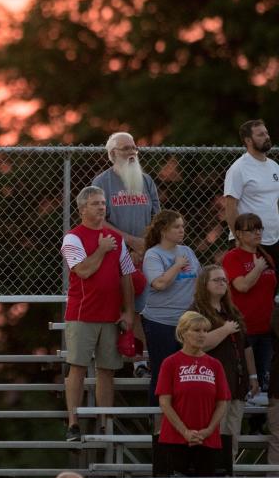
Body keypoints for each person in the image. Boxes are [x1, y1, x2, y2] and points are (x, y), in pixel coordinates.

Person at [60, 186, 135, 441]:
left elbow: (126, 276)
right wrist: (102, 249)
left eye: (103, 203)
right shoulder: (73, 237)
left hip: (111, 315)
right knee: (78, 367)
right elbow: (82, 270)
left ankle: (104, 422)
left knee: (107, 370)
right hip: (82, 314)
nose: (101, 207)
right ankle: (73, 422)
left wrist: (128, 312)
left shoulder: (116, 238)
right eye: (95, 204)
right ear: (82, 209)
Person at [154, 312, 229, 478]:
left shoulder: (215, 364)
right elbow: (164, 402)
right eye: (196, 330)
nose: (202, 334)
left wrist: (209, 430)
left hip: (207, 439)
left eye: (205, 330)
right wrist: (185, 431)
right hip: (175, 439)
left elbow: (223, 401)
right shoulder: (170, 363)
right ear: (183, 333)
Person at [191, 264, 255, 462]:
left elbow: (246, 346)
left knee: (232, 435)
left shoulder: (232, 311)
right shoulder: (196, 312)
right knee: (214, 435)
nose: (222, 283)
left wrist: (252, 376)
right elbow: (197, 344)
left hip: (236, 383)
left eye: (224, 280)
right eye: (216, 280)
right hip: (211, 386)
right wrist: (225, 330)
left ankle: (228, 477)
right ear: (204, 284)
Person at [141, 210, 200, 410]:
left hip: (186, 323)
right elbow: (159, 284)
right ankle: (158, 422)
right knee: (163, 372)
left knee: (187, 372)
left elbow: (199, 281)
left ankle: (183, 417)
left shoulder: (188, 252)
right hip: (161, 323)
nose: (182, 230)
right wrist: (176, 266)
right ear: (163, 230)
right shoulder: (153, 254)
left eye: (183, 226)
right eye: (177, 226)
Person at [222, 213, 276, 404]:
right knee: (247, 382)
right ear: (238, 233)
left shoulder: (265, 256)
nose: (257, 233)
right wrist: (258, 269)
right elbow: (242, 286)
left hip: (267, 329)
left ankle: (260, 426)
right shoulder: (232, 257)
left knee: (265, 380)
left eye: (259, 228)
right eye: (251, 229)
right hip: (245, 329)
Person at [91, 132, 161, 263]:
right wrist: (130, 241)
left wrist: (146, 243)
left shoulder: (147, 180)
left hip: (146, 251)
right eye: (126, 148)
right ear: (112, 154)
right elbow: (97, 219)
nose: (132, 152)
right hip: (114, 250)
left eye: (134, 148)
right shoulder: (101, 182)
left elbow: (157, 217)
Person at [224, 119, 279, 265]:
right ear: (248, 140)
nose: (266, 136)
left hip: (274, 240)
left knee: (272, 286)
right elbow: (230, 207)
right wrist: (239, 238)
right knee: (249, 286)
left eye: (266, 133)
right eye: (260, 134)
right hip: (248, 243)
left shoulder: (274, 167)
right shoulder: (238, 168)